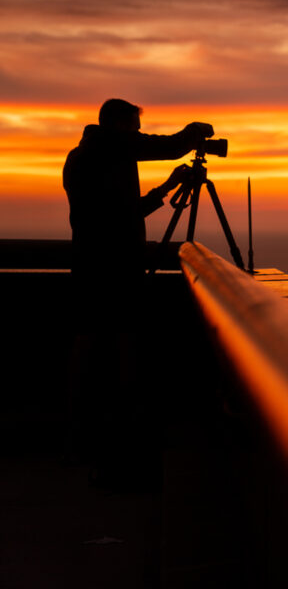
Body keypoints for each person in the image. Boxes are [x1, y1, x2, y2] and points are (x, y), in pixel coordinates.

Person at [62, 98, 215, 489]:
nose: (137, 136)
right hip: (112, 267)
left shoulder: (83, 156)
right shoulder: (110, 149)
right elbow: (163, 146)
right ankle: (123, 426)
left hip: (90, 264)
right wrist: (195, 131)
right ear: (117, 126)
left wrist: (167, 187)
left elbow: (125, 212)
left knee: (90, 340)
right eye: (133, 129)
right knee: (122, 340)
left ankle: (87, 431)